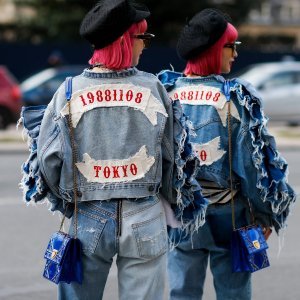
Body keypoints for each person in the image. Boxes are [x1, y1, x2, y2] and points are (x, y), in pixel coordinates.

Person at [19, 1, 207, 299]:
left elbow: (48, 160)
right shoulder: (154, 87)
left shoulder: (68, 91)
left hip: (87, 215)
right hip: (144, 214)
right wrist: (173, 200)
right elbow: (174, 158)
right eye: (142, 38)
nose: (145, 46)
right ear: (124, 40)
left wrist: (71, 198)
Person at [158, 8, 296, 300]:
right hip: (229, 214)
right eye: (231, 46)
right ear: (214, 50)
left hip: (182, 212)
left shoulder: (167, 93)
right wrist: (265, 215)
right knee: (234, 293)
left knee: (182, 290)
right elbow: (252, 166)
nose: (235, 54)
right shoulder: (235, 97)